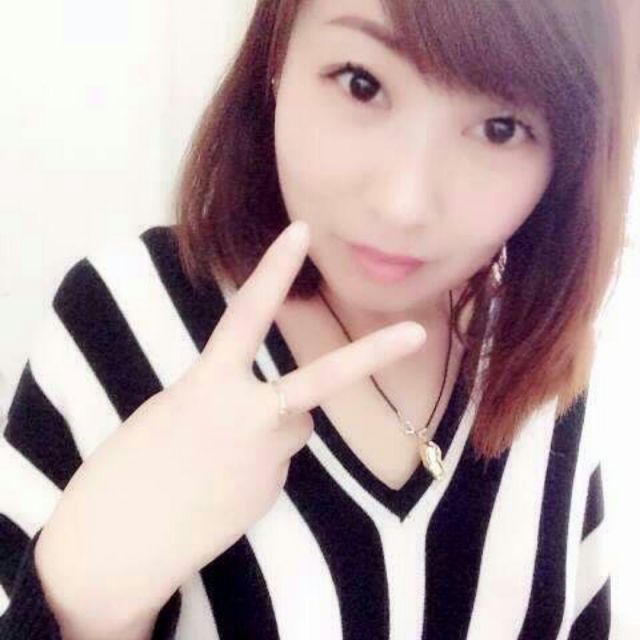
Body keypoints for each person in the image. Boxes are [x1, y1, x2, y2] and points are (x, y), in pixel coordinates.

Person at [1, 0, 636, 637]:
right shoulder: (124, 321)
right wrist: (85, 588)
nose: (404, 203)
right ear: (276, 56)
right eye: (362, 84)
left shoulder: (537, 356)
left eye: (500, 128)